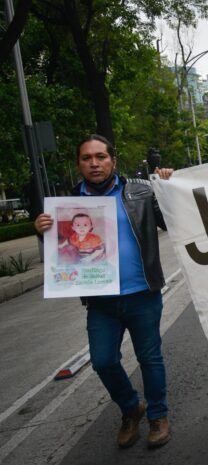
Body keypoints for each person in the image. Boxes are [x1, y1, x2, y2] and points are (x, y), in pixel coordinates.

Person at [34, 134, 175, 449]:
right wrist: (43, 231)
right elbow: (62, 249)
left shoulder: (141, 191)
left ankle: (158, 416)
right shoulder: (68, 203)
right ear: (79, 164)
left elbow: (172, 223)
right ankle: (131, 408)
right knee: (102, 361)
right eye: (87, 158)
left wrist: (167, 190)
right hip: (100, 301)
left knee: (150, 358)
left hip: (142, 293)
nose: (94, 163)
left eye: (101, 157)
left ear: (113, 161)